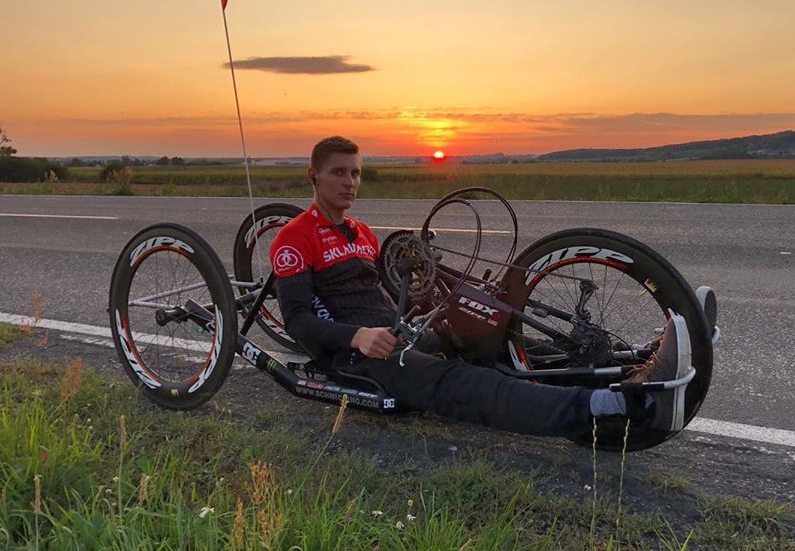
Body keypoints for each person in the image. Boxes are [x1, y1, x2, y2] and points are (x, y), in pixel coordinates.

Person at [270, 136, 693, 443]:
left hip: (400, 333)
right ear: (314, 176)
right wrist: (357, 337)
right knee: (468, 384)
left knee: (497, 341)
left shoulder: (360, 231)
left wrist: (427, 292)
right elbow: (299, 321)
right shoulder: (295, 237)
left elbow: (386, 292)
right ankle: (622, 406)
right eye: (338, 173)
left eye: (356, 173)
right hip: (360, 357)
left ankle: (635, 363)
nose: (350, 182)